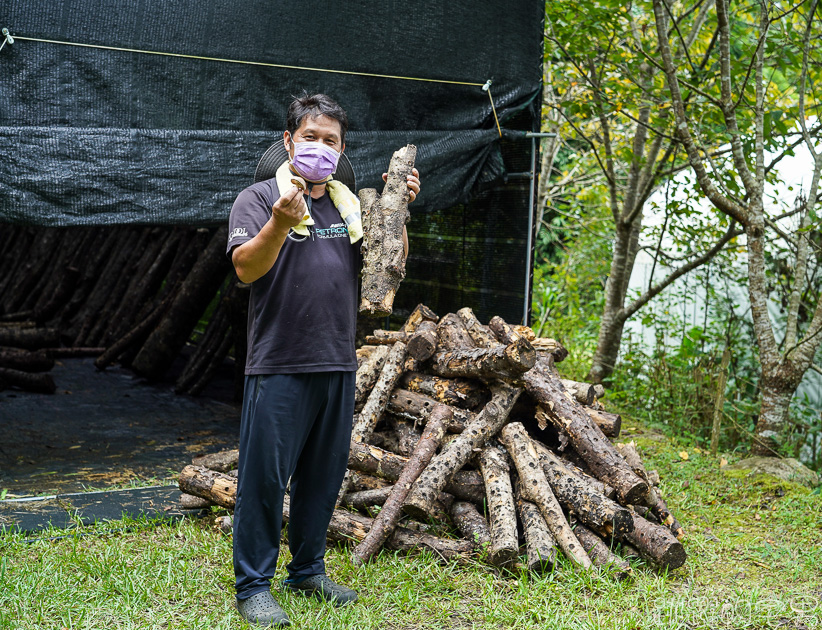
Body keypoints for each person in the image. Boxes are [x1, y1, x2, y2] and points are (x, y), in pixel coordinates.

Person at [226, 92, 420, 628]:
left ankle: (308, 571)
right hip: (279, 360)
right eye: (309, 136)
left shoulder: (346, 206)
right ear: (289, 141)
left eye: (330, 140)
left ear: (341, 149)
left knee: (322, 475)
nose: (319, 147)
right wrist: (279, 224)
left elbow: (386, 267)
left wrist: (398, 209)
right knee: (265, 479)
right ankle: (254, 586)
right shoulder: (260, 198)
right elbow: (245, 269)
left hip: (336, 359)